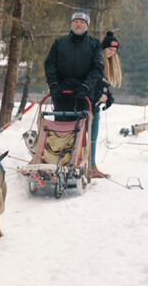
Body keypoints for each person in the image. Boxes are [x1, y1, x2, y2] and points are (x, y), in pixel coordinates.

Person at [44, 9, 104, 123]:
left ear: (87, 25)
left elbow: (97, 68)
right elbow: (50, 64)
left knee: (79, 127)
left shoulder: (94, 44)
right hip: (61, 93)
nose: (78, 24)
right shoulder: (59, 42)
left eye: (82, 22)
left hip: (83, 94)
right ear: (71, 23)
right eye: (76, 21)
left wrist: (86, 86)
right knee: (61, 127)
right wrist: (53, 84)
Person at [88, 31, 120, 178]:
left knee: (93, 137)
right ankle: (88, 165)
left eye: (114, 50)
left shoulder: (107, 65)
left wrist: (108, 98)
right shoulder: (96, 62)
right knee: (88, 136)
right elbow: (91, 83)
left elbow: (103, 86)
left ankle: (92, 165)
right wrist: (97, 96)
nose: (111, 53)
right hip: (88, 105)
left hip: (95, 106)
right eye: (109, 49)